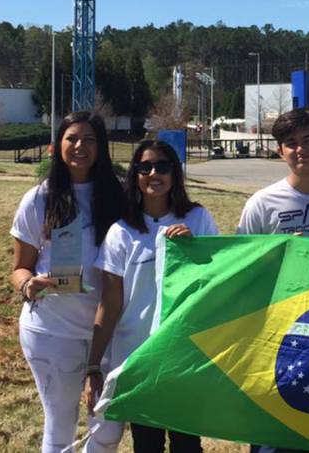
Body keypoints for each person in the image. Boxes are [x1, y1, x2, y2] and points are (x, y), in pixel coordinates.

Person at [84, 140, 219, 452]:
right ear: (135, 176)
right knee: (147, 444)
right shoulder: (121, 232)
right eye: (145, 167)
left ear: (175, 174)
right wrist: (93, 367)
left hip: (183, 353)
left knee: (187, 444)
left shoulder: (198, 219)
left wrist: (195, 249)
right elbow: (111, 303)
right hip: (138, 357)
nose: (154, 173)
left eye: (162, 166)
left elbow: (217, 278)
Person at [10, 111, 124, 453]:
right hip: (51, 332)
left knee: (108, 429)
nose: (80, 146)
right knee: (59, 425)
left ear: (101, 148)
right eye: (72, 138)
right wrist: (28, 285)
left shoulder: (120, 197)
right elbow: (20, 268)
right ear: (56, 145)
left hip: (109, 332)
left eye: (89, 140)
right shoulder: (38, 199)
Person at [236, 108, 309, 453]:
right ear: (279, 150)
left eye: (308, 140)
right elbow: (242, 270)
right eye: (290, 143)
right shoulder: (261, 204)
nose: (301, 150)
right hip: (279, 336)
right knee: (273, 432)